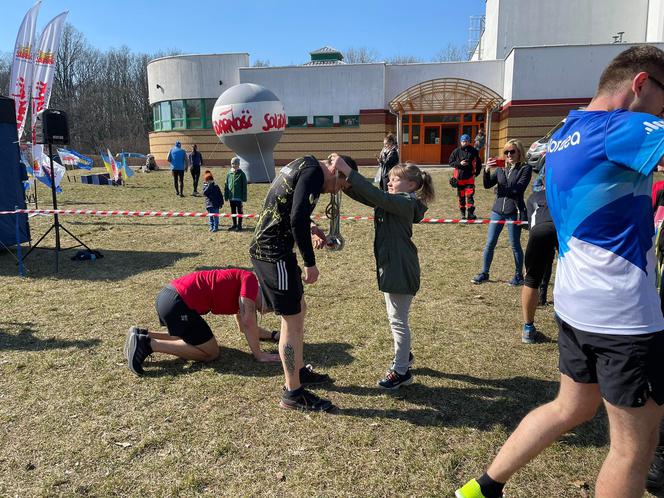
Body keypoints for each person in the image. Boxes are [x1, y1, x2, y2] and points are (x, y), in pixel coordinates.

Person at [456, 45, 664, 498]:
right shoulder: (620, 126)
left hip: (575, 302)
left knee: (570, 406)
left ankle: (483, 487)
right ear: (641, 84)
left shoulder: (568, 129)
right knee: (632, 448)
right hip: (622, 312)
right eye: (662, 103)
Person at [249, 154, 357, 412]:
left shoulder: (307, 166)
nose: (335, 192)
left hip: (275, 250)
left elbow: (290, 207)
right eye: (339, 186)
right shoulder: (314, 174)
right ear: (335, 171)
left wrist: (312, 227)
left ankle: (297, 371)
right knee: (291, 321)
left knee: (299, 309)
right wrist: (310, 262)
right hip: (273, 254)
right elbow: (296, 217)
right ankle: (293, 392)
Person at [334, 157, 434, 389]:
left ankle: (401, 372)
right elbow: (370, 197)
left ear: (411, 185)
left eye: (395, 179)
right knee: (396, 318)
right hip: (393, 267)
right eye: (388, 179)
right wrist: (345, 185)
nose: (389, 183)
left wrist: (348, 170)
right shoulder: (396, 201)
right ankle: (405, 357)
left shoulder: (404, 203)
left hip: (400, 269)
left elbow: (376, 196)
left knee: (398, 321)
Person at [124, 268, 282, 375]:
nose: (263, 311)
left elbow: (244, 328)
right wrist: (259, 355)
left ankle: (142, 334)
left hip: (169, 296)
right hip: (178, 303)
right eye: (267, 307)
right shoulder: (250, 281)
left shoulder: (242, 292)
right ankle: (148, 344)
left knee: (189, 338)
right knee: (211, 352)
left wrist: (274, 335)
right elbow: (249, 322)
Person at [471, 139, 532, 286]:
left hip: (514, 211)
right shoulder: (500, 168)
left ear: (519, 153)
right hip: (497, 210)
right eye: (506, 152)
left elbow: (518, 188)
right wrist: (486, 170)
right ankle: (484, 273)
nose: (509, 155)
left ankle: (518, 275)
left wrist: (500, 189)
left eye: (512, 151)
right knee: (490, 243)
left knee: (515, 244)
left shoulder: (525, 168)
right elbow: (487, 185)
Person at [520, 165, 556, 343]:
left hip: (538, 231)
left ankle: (528, 328)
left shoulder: (533, 197)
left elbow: (530, 225)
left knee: (531, 279)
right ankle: (570, 324)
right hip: (560, 227)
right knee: (570, 272)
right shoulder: (566, 192)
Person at [449, 134, 482, 220]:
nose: (465, 143)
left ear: (469, 141)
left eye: (467, 141)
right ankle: (463, 214)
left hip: (470, 178)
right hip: (459, 178)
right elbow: (450, 162)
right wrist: (459, 164)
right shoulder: (456, 151)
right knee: (461, 197)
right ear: (460, 142)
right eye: (463, 141)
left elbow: (478, 163)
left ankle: (470, 214)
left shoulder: (474, 151)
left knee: (470, 196)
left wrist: (477, 173)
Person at [224, 157, 248, 231]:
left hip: (239, 197)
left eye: (235, 164)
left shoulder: (242, 174)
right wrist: (226, 195)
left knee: (239, 211)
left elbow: (244, 186)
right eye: (232, 164)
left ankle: (239, 225)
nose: (234, 165)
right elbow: (226, 185)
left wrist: (244, 197)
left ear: (238, 164)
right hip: (231, 197)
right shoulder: (229, 174)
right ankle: (234, 224)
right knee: (233, 211)